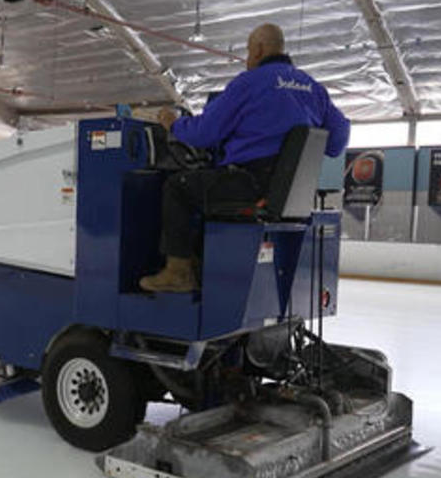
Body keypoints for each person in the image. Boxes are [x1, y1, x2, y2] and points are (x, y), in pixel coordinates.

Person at [139, 23, 350, 293]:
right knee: (203, 187)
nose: (247, 59)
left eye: (249, 52)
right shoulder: (314, 89)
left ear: (259, 50)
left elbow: (205, 133)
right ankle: (197, 260)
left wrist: (173, 124)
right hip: (292, 195)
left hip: (251, 183)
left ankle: (178, 272)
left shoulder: (249, 83)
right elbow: (337, 142)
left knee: (178, 187)